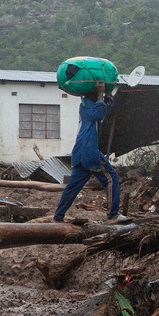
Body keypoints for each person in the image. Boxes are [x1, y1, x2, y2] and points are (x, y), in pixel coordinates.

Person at [54, 81, 121, 223]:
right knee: (111, 178)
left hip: (80, 151)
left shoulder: (86, 104)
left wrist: (106, 95)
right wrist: (101, 93)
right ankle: (112, 216)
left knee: (73, 187)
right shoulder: (86, 106)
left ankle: (58, 217)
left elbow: (106, 107)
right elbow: (100, 113)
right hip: (88, 150)